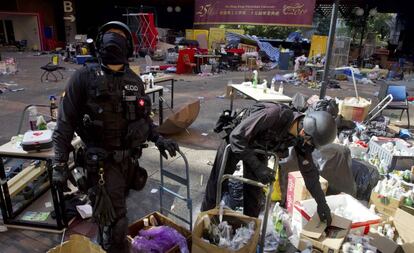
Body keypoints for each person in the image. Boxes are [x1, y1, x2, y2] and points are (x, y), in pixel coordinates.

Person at [52, 21, 179, 253]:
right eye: (110, 34)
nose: (114, 39)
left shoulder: (134, 81)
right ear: (100, 42)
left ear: (128, 46)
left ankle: (105, 245)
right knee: (116, 222)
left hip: (128, 163)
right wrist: (59, 162)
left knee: (110, 217)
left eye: (119, 35)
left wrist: (159, 139)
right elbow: (64, 122)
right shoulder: (83, 78)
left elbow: (144, 119)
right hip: (101, 164)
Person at [201, 102, 336, 225]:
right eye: (310, 143)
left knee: (254, 195)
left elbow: (309, 173)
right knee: (218, 184)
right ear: (303, 132)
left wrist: (322, 203)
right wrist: (258, 167)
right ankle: (203, 224)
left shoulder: (302, 139)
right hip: (237, 142)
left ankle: (249, 230)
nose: (309, 146)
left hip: (259, 147)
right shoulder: (273, 114)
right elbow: (236, 137)